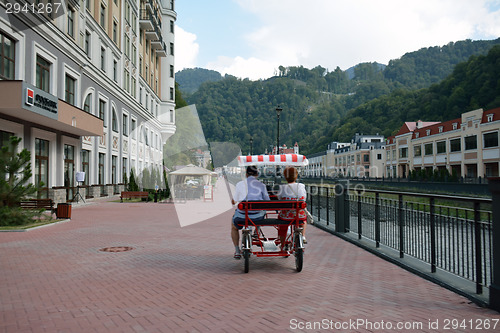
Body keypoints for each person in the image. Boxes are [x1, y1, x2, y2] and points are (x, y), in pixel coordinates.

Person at [231, 166, 270, 259]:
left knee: (233, 227)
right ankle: (257, 231)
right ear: (257, 174)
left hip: (242, 216)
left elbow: (234, 201)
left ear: (246, 174)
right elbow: (267, 201)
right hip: (257, 217)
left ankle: (237, 250)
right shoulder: (261, 185)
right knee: (262, 211)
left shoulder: (240, 184)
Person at [277, 166, 308, 246]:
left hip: (286, 215)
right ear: (296, 176)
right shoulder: (301, 186)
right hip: (299, 214)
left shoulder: (282, 187)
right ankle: (303, 235)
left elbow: (279, 198)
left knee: (282, 226)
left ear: (285, 176)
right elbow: (304, 198)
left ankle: (283, 245)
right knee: (303, 220)